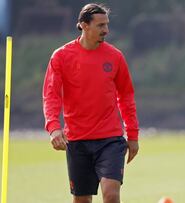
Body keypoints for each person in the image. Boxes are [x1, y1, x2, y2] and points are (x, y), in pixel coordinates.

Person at [42, 3, 139, 203]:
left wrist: (132, 134)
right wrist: (53, 127)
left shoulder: (115, 56)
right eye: (101, 25)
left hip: (110, 139)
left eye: (107, 24)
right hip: (77, 140)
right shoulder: (61, 56)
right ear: (84, 26)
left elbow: (126, 96)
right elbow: (51, 95)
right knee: (82, 200)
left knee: (111, 194)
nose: (106, 30)